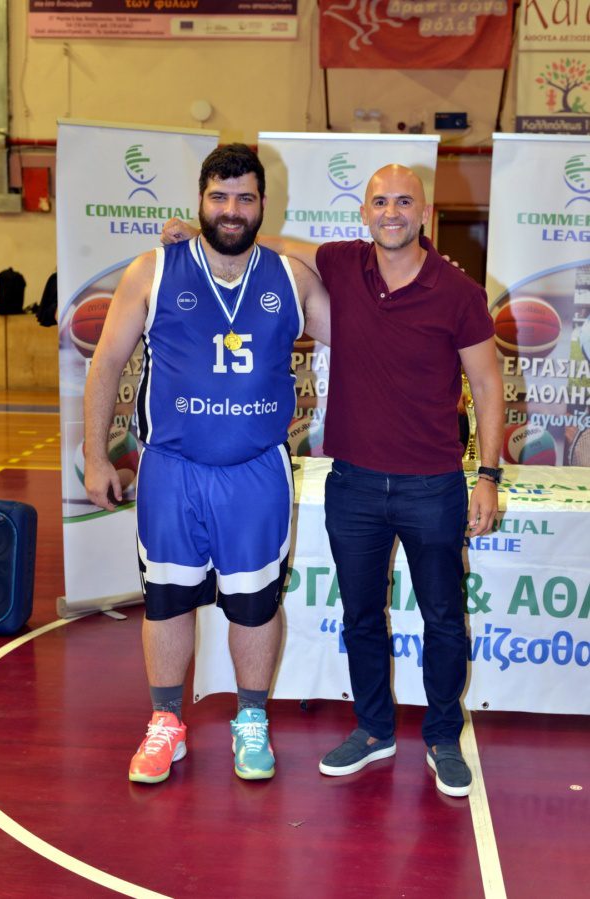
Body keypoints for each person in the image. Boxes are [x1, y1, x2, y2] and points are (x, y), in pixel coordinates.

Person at [163, 163, 504, 799]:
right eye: (380, 202)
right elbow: (269, 244)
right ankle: (374, 730)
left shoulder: (457, 291)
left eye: (404, 201)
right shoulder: (343, 264)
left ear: (424, 212)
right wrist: (198, 233)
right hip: (354, 483)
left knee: (443, 618)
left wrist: (486, 474)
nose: (391, 212)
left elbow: (487, 385)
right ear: (364, 212)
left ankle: (441, 736)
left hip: (433, 486)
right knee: (361, 617)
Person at [84, 143, 330, 785]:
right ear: (200, 200)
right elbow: (106, 363)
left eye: (245, 198)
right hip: (172, 469)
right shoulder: (152, 270)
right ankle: (166, 722)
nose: (231, 210)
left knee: (254, 605)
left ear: (263, 205)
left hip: (255, 471)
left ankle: (251, 719)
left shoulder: (291, 278)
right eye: (219, 197)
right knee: (166, 601)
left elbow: (359, 334)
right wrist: (94, 455)